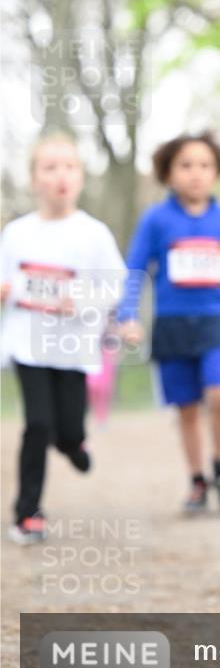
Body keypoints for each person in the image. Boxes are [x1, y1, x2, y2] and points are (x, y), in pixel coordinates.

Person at [117, 132, 220, 515]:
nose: (196, 174)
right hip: (172, 324)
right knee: (185, 409)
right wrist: (127, 315)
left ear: (216, 172)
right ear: (168, 173)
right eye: (186, 165)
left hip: (217, 323)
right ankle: (197, 480)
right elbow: (135, 270)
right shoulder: (156, 220)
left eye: (205, 165)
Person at [0, 133, 125, 544]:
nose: (60, 176)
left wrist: (82, 300)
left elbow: (115, 286)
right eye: (49, 167)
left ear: (81, 177)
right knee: (37, 424)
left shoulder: (93, 234)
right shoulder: (16, 234)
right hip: (27, 344)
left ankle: (74, 445)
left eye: (69, 166)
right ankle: (28, 513)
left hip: (73, 347)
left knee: (66, 428)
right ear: (34, 179)